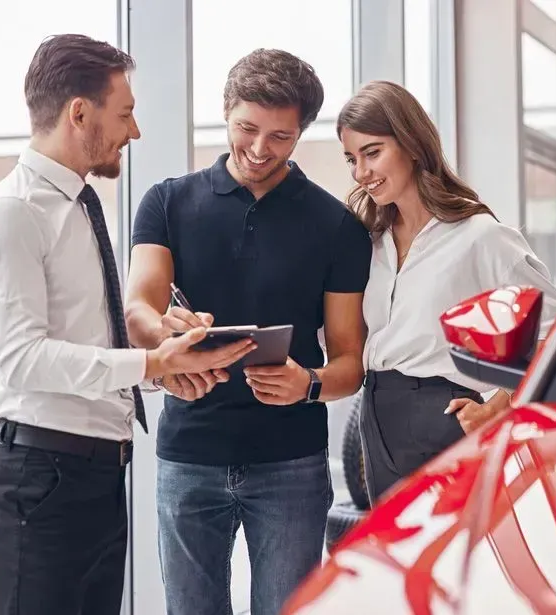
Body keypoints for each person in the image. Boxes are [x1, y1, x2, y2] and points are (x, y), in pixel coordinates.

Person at [0, 34, 256, 615]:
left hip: (93, 478)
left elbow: (82, 342)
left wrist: (165, 364)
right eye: (124, 114)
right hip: (39, 482)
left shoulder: (78, 208)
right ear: (78, 112)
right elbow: (18, 360)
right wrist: (150, 363)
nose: (135, 132)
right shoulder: (10, 215)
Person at [124, 48, 371, 615]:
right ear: (226, 112)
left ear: (301, 133)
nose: (260, 150)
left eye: (281, 137)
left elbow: (349, 362)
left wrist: (307, 383)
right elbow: (138, 308)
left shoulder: (337, 227)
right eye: (247, 129)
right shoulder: (167, 202)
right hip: (189, 455)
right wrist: (163, 333)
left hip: (291, 464)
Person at [337, 80, 556, 503]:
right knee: (398, 563)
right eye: (352, 159)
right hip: (376, 419)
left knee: (456, 562)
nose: (360, 172)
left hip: (446, 417)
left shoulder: (480, 237)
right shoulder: (369, 243)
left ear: (411, 144)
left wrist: (500, 404)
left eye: (372, 153)